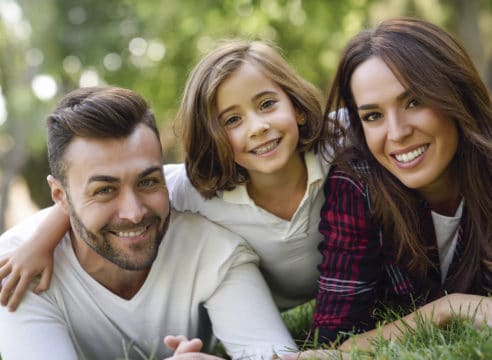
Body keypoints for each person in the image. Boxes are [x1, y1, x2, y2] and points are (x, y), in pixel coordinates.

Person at [0, 40, 332, 312]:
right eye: (231, 120)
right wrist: (39, 244)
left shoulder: (340, 147)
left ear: (298, 107)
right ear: (210, 135)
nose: (258, 128)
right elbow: (112, 193)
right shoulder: (196, 190)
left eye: (267, 104)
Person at [0, 86, 297, 359]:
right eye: (105, 190)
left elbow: (273, 355)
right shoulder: (15, 271)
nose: (134, 212)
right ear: (60, 196)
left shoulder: (213, 250)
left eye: (148, 181)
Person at [313, 17, 492, 350]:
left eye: (414, 101)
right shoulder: (357, 185)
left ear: (456, 95)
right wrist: (448, 308)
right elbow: (334, 343)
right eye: (373, 116)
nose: (396, 133)